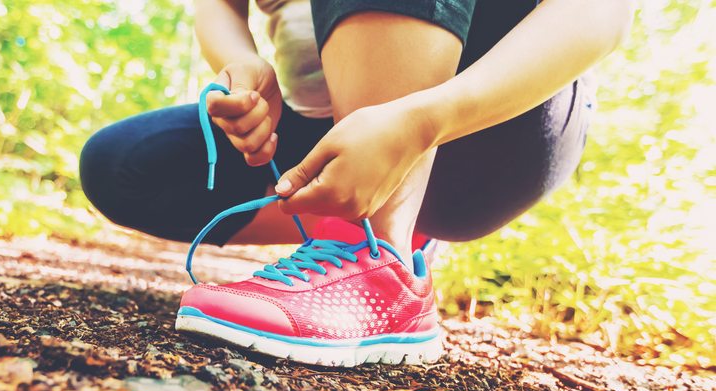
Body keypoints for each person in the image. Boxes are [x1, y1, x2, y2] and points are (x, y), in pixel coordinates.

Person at [79, 0, 633, 366]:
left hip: (488, 123)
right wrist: (243, 63)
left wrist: (423, 121)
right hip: (325, 124)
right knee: (123, 164)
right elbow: (218, 7)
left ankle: (376, 253)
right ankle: (362, 230)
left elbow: (601, 14)